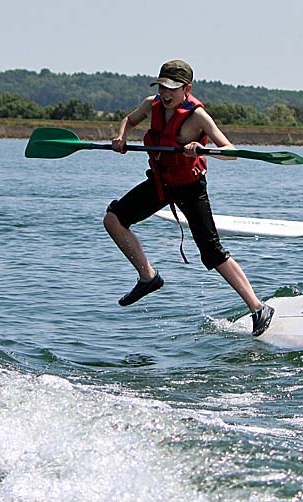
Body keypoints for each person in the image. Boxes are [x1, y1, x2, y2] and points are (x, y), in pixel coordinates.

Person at [103, 59, 274, 337]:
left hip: (191, 188)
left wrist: (201, 149)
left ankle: (258, 308)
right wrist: (120, 137)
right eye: (162, 87)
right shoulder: (151, 104)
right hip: (160, 183)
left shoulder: (198, 117)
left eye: (172, 88)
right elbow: (129, 120)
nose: (166, 93)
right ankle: (148, 276)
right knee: (113, 219)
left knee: (211, 251)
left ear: (186, 88)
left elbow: (229, 149)